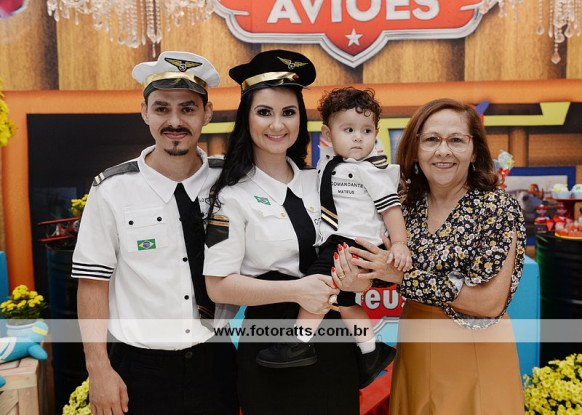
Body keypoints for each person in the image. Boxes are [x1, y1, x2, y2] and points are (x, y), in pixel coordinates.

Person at [335, 97, 527, 414]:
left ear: (474, 150)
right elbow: (378, 272)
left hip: (476, 350)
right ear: (416, 148)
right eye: (432, 140)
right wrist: (354, 277)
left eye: (456, 140)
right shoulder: (402, 205)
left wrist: (405, 277)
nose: (443, 151)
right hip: (416, 346)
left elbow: (489, 303)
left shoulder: (497, 207)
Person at [73, 51, 239, 415]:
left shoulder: (231, 181)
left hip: (218, 364)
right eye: (162, 108)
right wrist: (98, 369)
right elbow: (92, 285)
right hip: (139, 370)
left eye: (188, 109)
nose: (174, 121)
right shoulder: (112, 189)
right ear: (145, 112)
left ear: (207, 114)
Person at [203, 50, 366, 414]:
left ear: (300, 120)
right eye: (265, 112)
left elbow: (358, 249)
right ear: (246, 118)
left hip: (334, 344)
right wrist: (297, 290)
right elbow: (218, 285)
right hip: (270, 345)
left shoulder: (326, 182)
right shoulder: (231, 196)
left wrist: (362, 277)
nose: (277, 125)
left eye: (288, 112)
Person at [256, 87, 410, 388]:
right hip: (338, 241)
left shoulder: (370, 171)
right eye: (348, 130)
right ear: (327, 133)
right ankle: (371, 352)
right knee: (346, 302)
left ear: (376, 134)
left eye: (366, 131)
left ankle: (299, 343)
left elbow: (391, 208)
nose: (358, 138)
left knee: (317, 287)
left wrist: (400, 243)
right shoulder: (328, 163)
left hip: (352, 243)